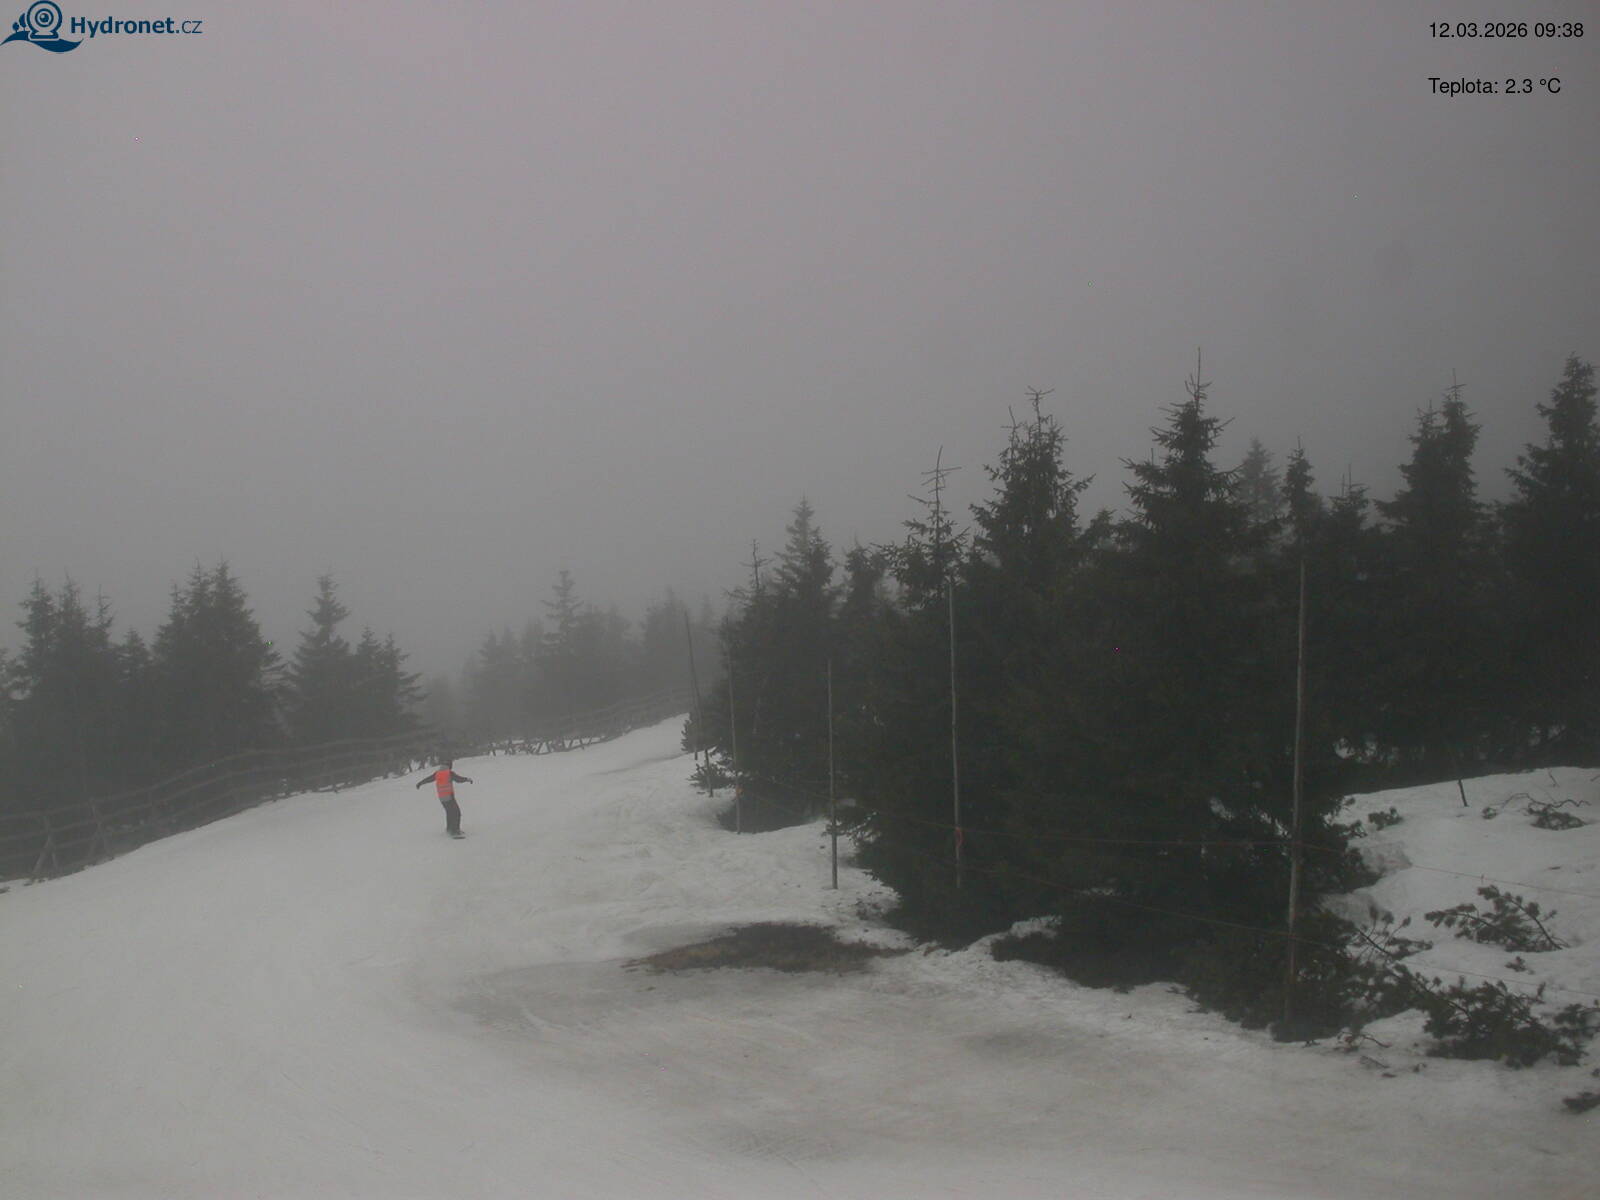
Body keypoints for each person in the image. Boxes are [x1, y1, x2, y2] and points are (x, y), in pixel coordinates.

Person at [416, 759, 473, 836]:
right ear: (450, 765)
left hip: (442, 798)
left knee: (449, 812)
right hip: (449, 796)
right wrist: (467, 779)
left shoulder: (437, 773)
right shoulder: (449, 773)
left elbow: (429, 779)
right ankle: (455, 831)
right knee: (456, 813)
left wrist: (420, 783)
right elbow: (458, 779)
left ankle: (449, 829)